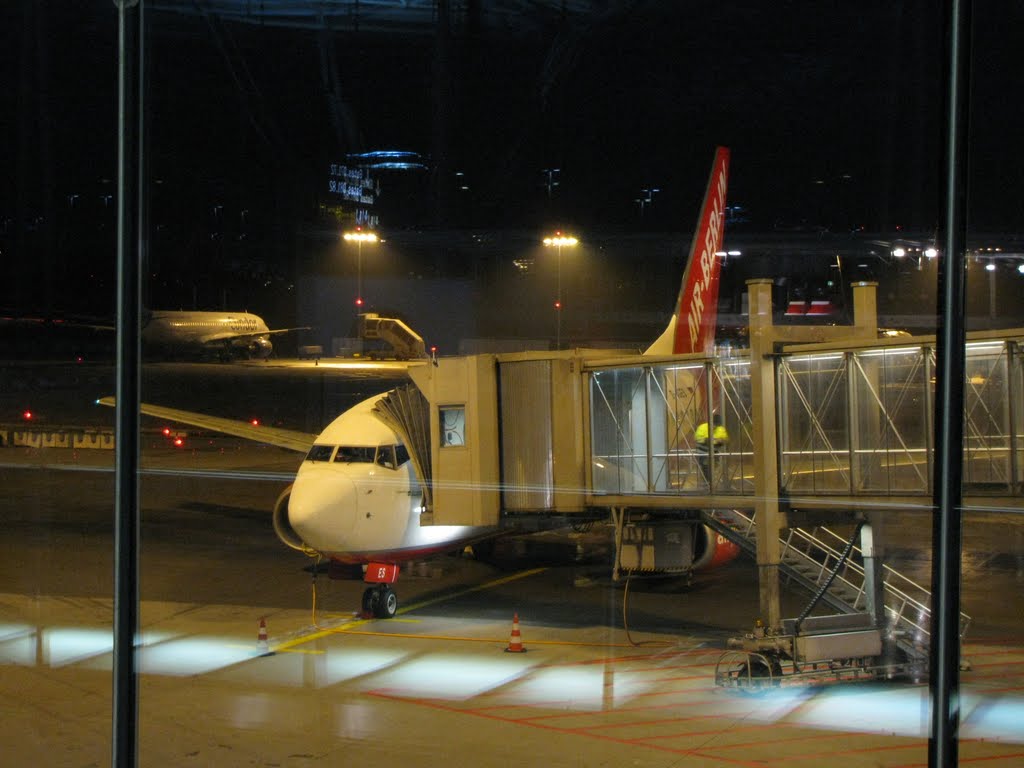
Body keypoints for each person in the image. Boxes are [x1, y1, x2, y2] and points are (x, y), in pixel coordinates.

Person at [695, 413, 728, 486]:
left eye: (716, 425)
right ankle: (707, 482)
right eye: (714, 425)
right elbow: (698, 439)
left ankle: (711, 481)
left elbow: (725, 439)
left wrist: (721, 440)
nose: (715, 427)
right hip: (703, 452)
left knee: (714, 466)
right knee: (705, 466)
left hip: (715, 452)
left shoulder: (720, 429)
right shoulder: (702, 428)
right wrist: (709, 440)